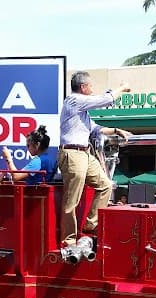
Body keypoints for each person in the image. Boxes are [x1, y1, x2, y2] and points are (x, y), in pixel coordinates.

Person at [59, 71, 132, 246]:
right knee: (72, 200)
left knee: (106, 185)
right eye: (90, 86)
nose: (92, 89)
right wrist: (122, 88)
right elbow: (104, 100)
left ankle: (91, 225)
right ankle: (68, 241)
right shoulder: (74, 100)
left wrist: (116, 130)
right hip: (73, 153)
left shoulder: (80, 110)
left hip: (84, 153)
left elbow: (95, 128)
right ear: (83, 87)